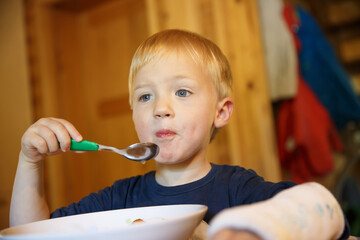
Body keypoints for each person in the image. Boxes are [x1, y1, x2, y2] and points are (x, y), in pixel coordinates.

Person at [10, 29, 349, 240]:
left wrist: (255, 230)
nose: (160, 108)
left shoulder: (237, 189)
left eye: (182, 92)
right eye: (145, 97)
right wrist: (30, 161)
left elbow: (323, 208)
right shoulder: (119, 200)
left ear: (221, 112)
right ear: (134, 114)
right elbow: (29, 234)